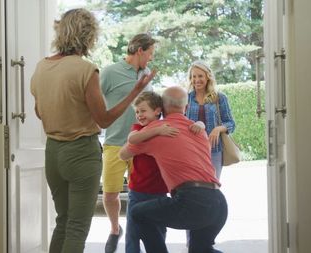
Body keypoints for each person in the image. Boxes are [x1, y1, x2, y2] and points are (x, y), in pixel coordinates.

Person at [30, 9, 156, 253]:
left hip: (53, 152)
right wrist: (136, 90)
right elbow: (104, 119)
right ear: (88, 35)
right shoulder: (86, 70)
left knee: (63, 221)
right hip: (81, 153)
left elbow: (39, 112)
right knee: (77, 227)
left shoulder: (40, 68)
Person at [119, 86, 228, 253]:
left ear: (161, 108)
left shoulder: (159, 131)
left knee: (137, 213)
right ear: (185, 108)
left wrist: (149, 132)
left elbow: (123, 153)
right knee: (201, 250)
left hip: (190, 201)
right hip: (218, 203)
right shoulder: (198, 130)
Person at [100, 33, 157, 253]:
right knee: (110, 194)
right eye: (150, 53)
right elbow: (94, 99)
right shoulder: (110, 72)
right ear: (140, 51)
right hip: (114, 142)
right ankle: (115, 229)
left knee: (139, 193)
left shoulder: (146, 75)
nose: (150, 58)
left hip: (141, 144)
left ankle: (135, 238)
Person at [185, 60, 236, 179]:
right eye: (194, 76)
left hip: (214, 150)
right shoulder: (186, 98)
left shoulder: (220, 98)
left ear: (208, 77)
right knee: (193, 187)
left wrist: (218, 129)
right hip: (191, 150)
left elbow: (231, 123)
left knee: (213, 186)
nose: (197, 80)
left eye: (200, 76)